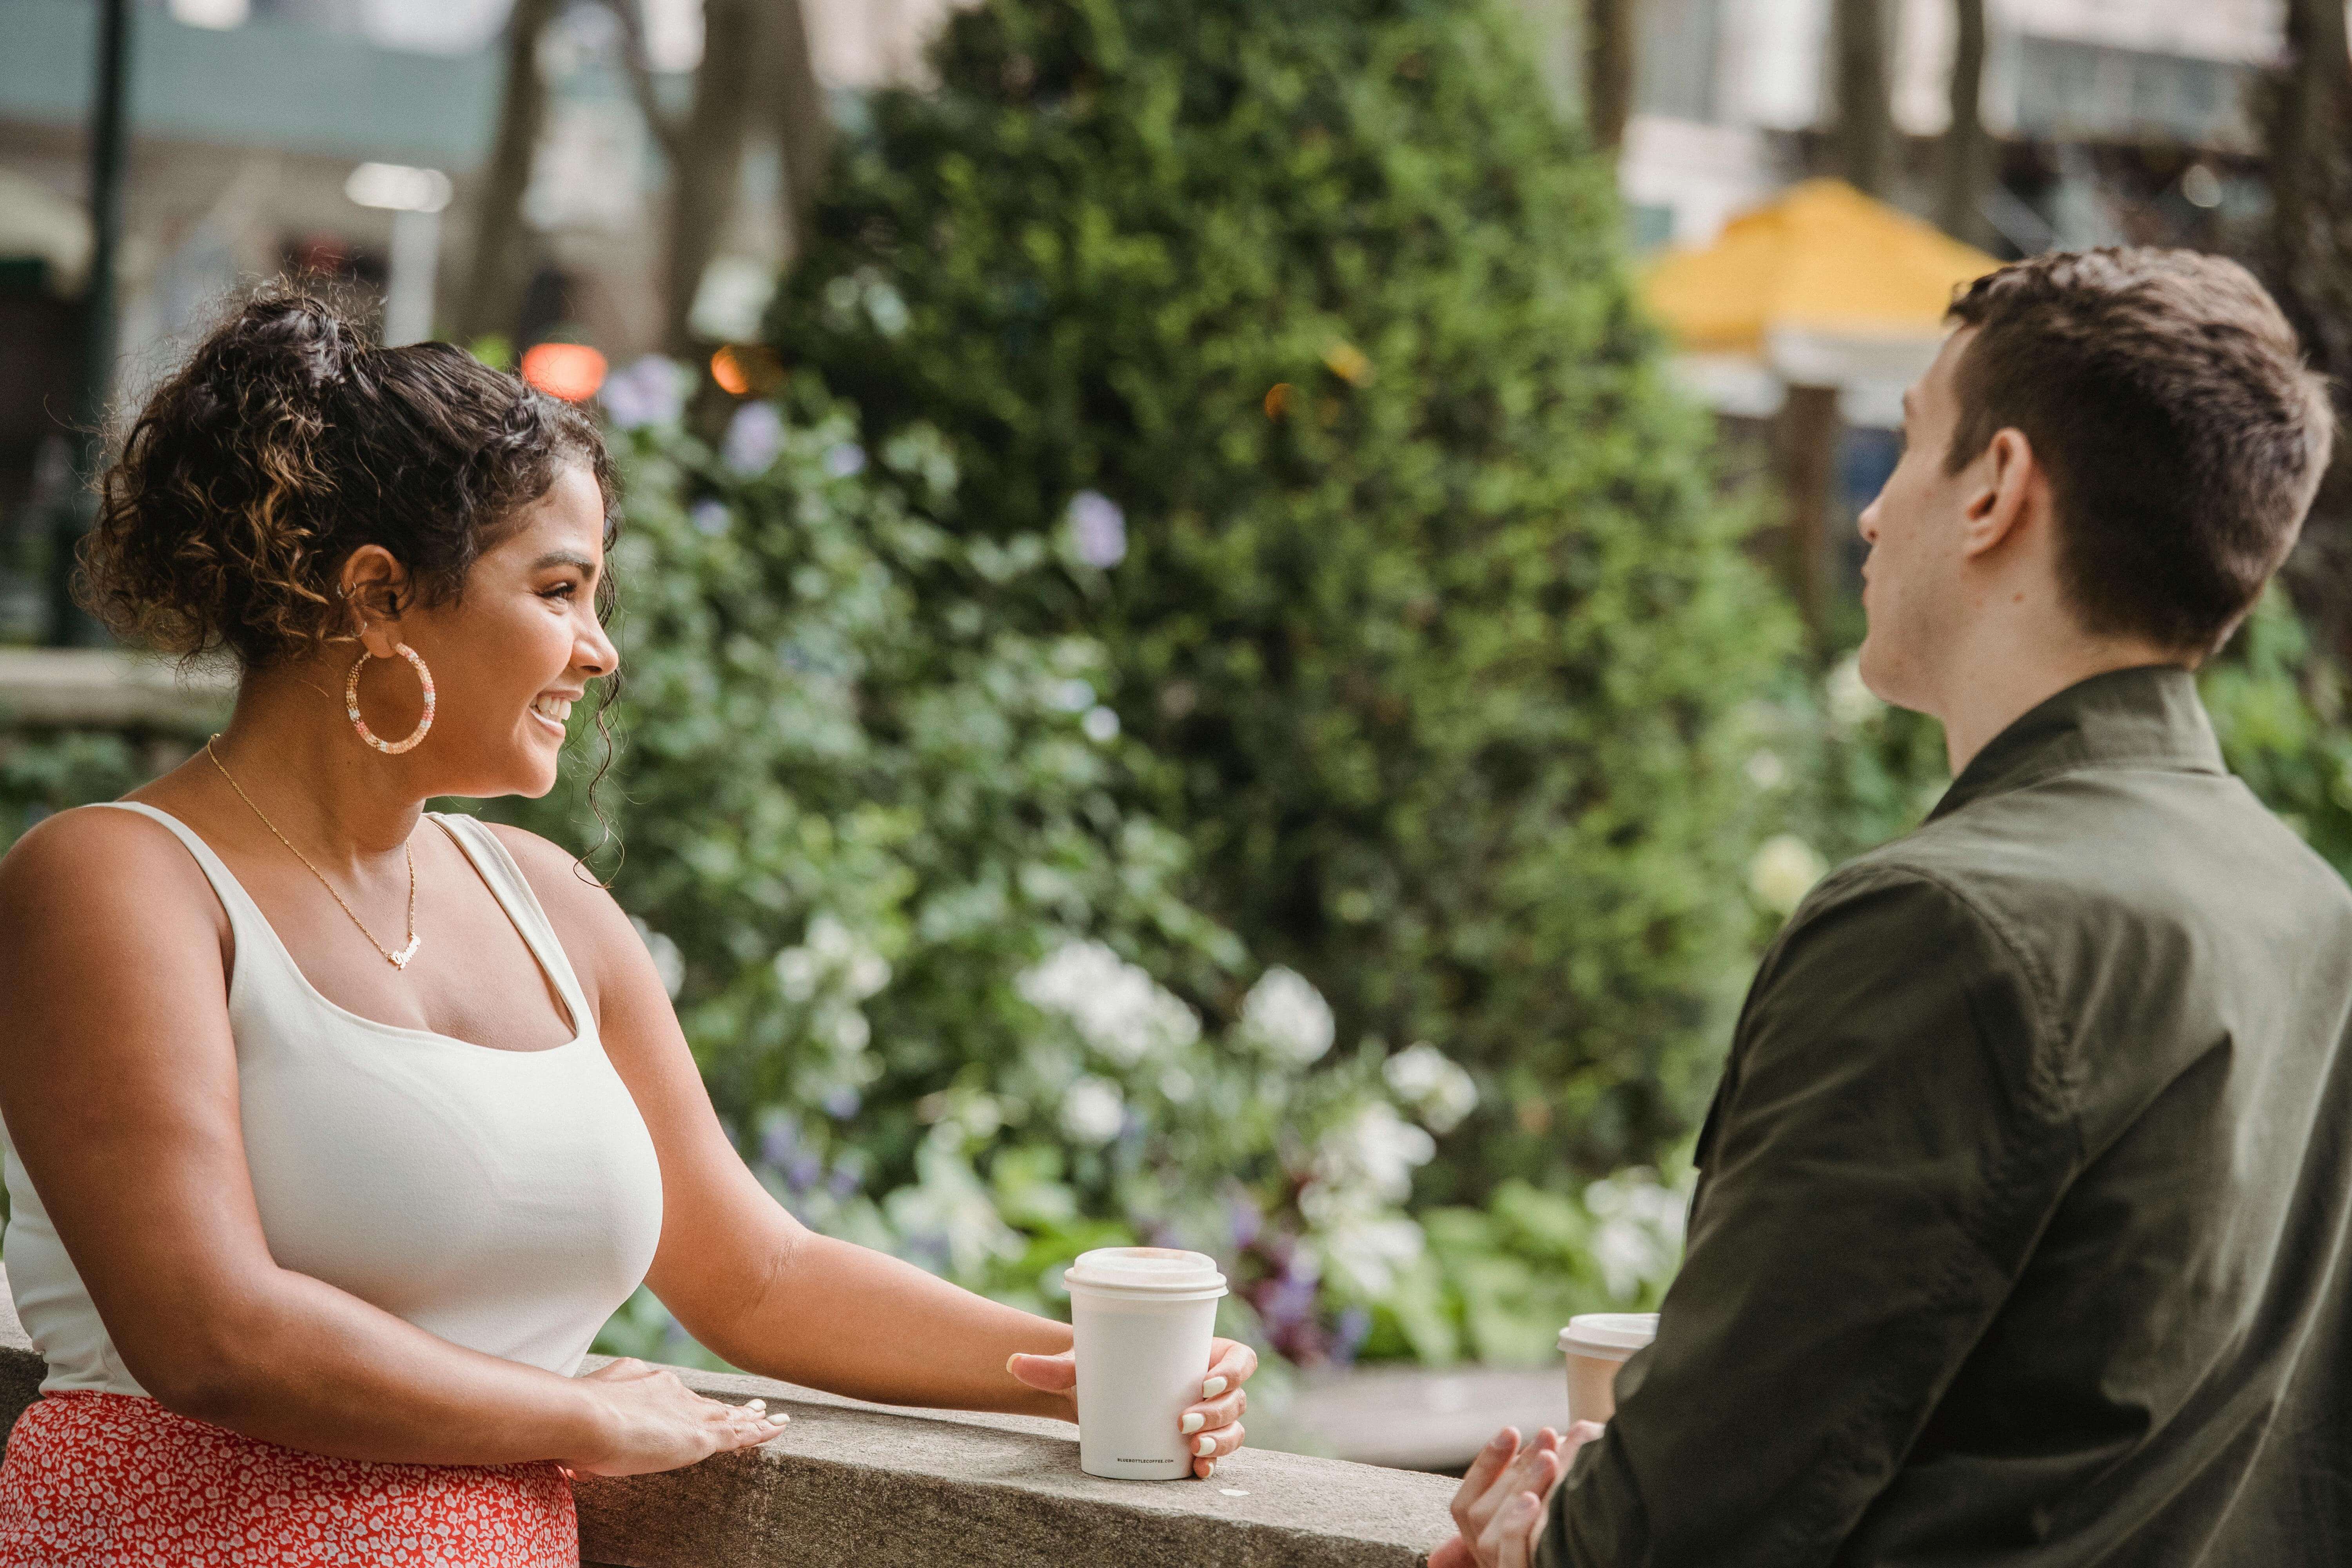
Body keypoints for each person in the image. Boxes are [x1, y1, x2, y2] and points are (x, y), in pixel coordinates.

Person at [0, 290, 1255, 1563]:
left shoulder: (552, 908)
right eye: (560, 590)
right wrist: (576, 1417)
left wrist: (1086, 1367)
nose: (599, 652)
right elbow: (214, 1336)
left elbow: (756, 1275)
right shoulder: (114, 884)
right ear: (379, 597)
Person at [1441, 247, 2351, 1566]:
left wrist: (1545, 1539)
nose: (1871, 512)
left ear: (1997, 489)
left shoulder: (1950, 929)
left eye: (1908, 443)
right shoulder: (2313, 912)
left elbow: (1682, 1531)